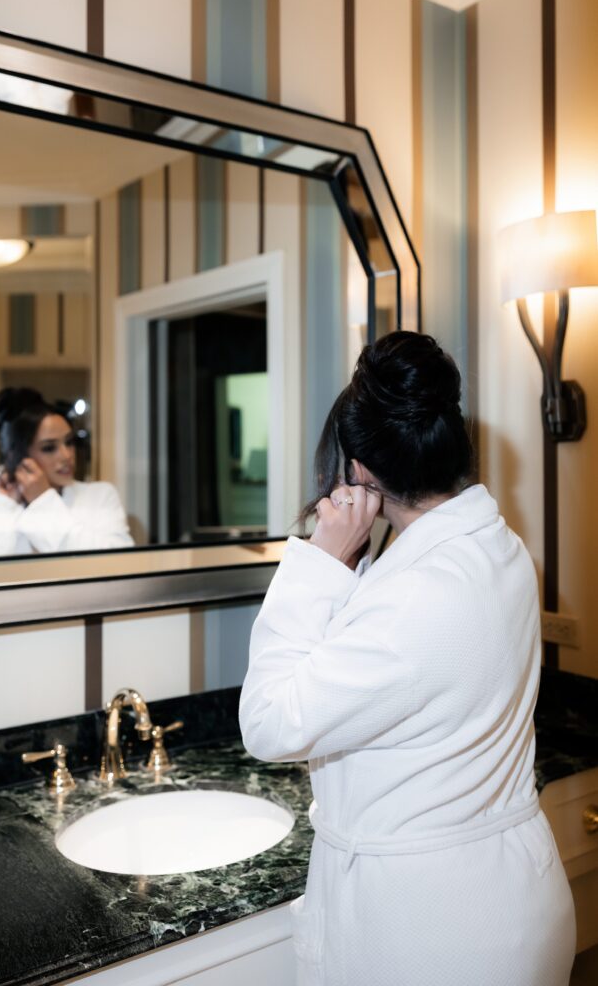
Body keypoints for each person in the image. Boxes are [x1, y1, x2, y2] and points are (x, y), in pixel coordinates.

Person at [239, 331, 575, 986]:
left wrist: (317, 558)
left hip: (427, 930)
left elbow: (269, 723)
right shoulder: (496, 548)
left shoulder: (413, 596)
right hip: (511, 895)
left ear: (361, 470)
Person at [0, 387, 134, 558]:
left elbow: (118, 562)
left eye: (69, 442)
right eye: (49, 448)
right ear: (20, 456)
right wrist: (2, 505)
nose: (67, 455)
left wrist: (42, 500)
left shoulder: (100, 497)